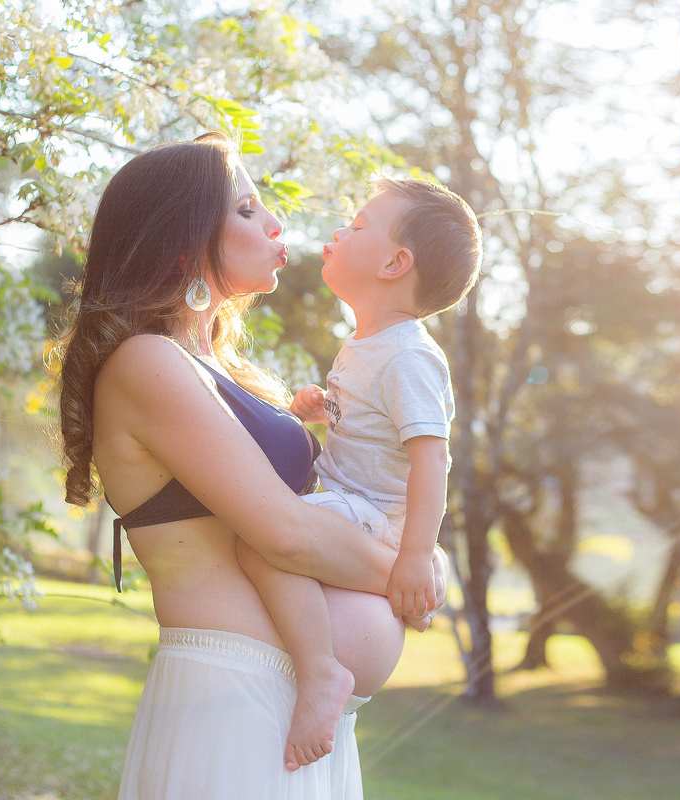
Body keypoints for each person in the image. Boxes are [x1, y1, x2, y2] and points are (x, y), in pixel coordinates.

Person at [56, 132, 444, 799]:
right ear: (181, 239)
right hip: (231, 693)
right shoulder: (148, 363)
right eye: (243, 210)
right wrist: (410, 577)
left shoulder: (224, 370)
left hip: (292, 705)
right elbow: (284, 533)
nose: (274, 224)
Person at [235, 177, 482, 771]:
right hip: (358, 504)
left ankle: (321, 670)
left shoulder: (409, 355)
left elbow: (431, 458)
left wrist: (417, 553)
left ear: (396, 263)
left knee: (261, 538)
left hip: (373, 516)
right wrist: (324, 419)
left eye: (360, 225)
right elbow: (378, 441)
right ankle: (374, 614)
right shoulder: (370, 344)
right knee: (270, 533)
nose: (341, 231)